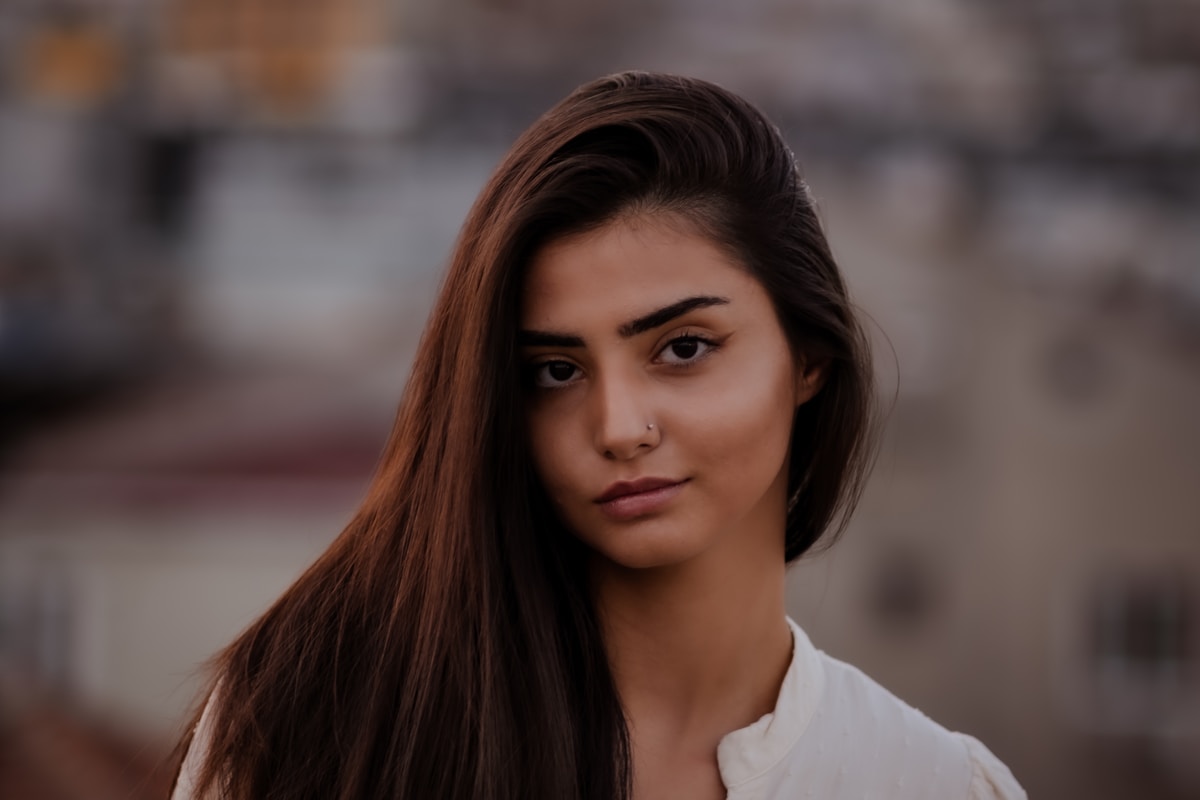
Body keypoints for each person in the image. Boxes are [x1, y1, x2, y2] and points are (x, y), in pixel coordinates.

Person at [169, 71, 1025, 800]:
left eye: (683, 349)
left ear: (808, 359)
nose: (618, 428)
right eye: (555, 370)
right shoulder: (313, 731)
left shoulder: (935, 784)